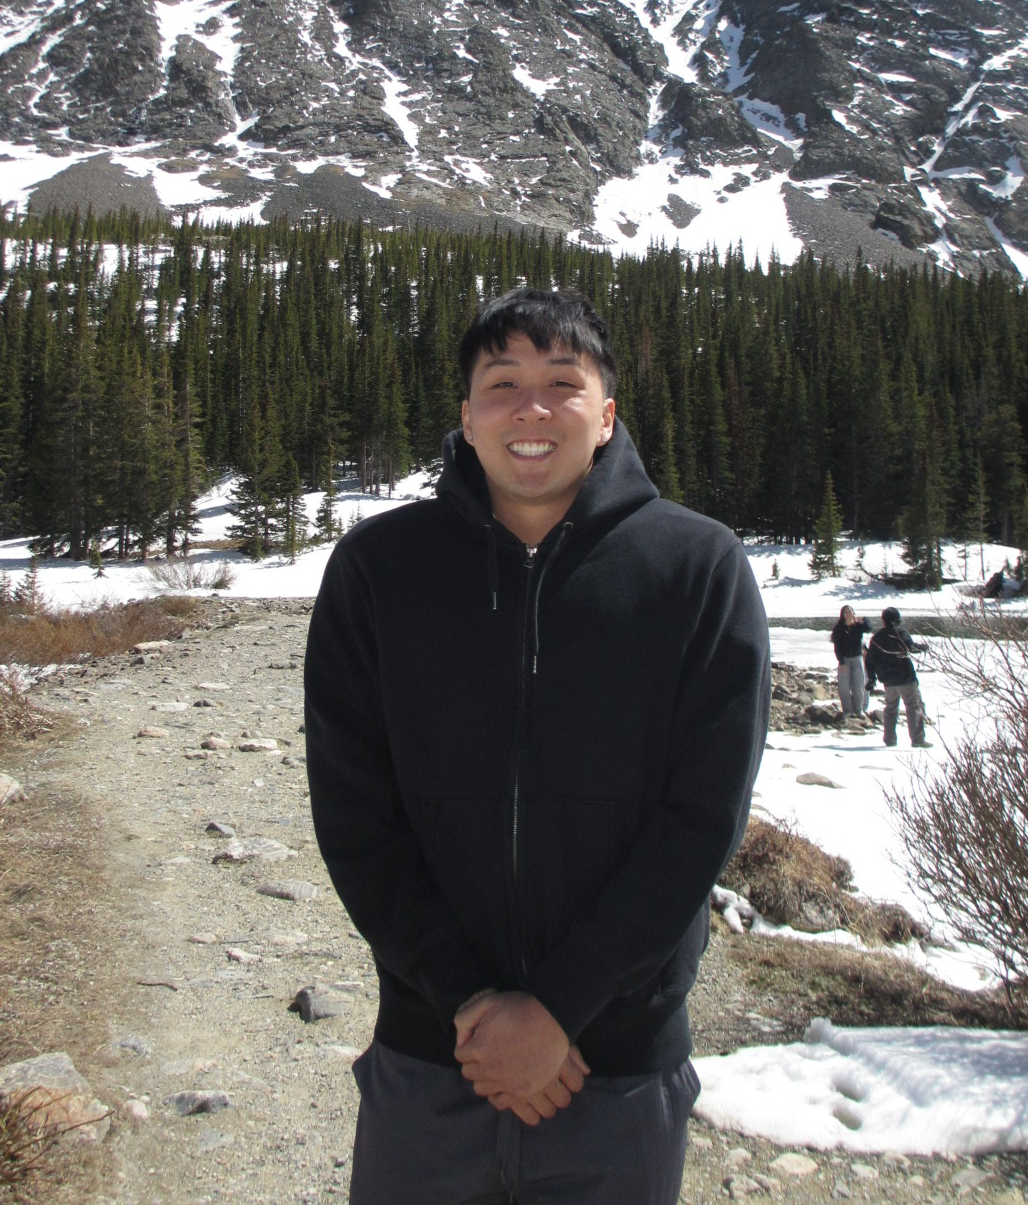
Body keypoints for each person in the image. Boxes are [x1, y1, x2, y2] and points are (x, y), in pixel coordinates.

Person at [304, 287, 771, 1205]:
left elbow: (703, 816)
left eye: (563, 382)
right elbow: (355, 812)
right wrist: (471, 1004)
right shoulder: (379, 570)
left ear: (607, 415)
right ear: (467, 416)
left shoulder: (697, 569)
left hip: (618, 1072)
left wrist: (562, 1006)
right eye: (502, 383)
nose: (532, 409)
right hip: (434, 1058)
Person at [865, 606, 929, 747]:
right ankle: (917, 740)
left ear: (883, 620)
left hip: (888, 680)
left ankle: (889, 740)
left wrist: (872, 678)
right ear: (897, 619)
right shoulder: (900, 632)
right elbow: (911, 647)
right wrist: (923, 647)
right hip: (905, 677)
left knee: (890, 709)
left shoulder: (876, 638)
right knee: (913, 707)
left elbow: (869, 660)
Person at [830, 604, 871, 716]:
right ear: (843, 615)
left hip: (857, 658)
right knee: (844, 687)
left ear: (853, 613)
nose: (848, 614)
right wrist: (841, 662)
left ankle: (859, 709)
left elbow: (869, 628)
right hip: (845, 659)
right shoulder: (839, 629)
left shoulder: (858, 626)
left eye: (850, 611)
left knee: (859, 685)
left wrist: (864, 620)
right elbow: (837, 647)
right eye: (846, 612)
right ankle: (847, 710)